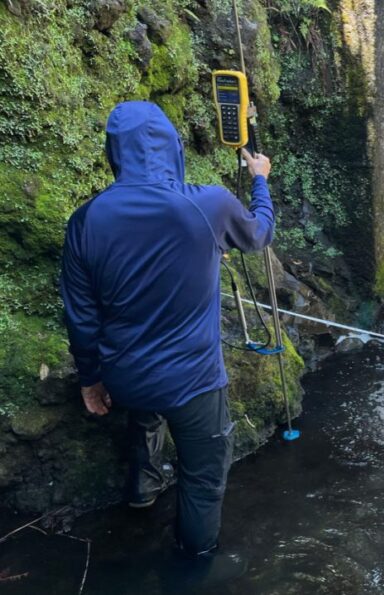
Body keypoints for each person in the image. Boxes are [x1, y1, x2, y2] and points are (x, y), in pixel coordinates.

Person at [59, 101, 274, 561]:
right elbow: (259, 234)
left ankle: (143, 488)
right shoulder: (209, 204)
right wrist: (260, 180)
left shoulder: (85, 220)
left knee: (146, 401)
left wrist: (90, 380)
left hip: (125, 377)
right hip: (193, 381)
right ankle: (195, 561)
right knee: (203, 475)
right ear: (173, 148)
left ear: (114, 153)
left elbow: (81, 315)